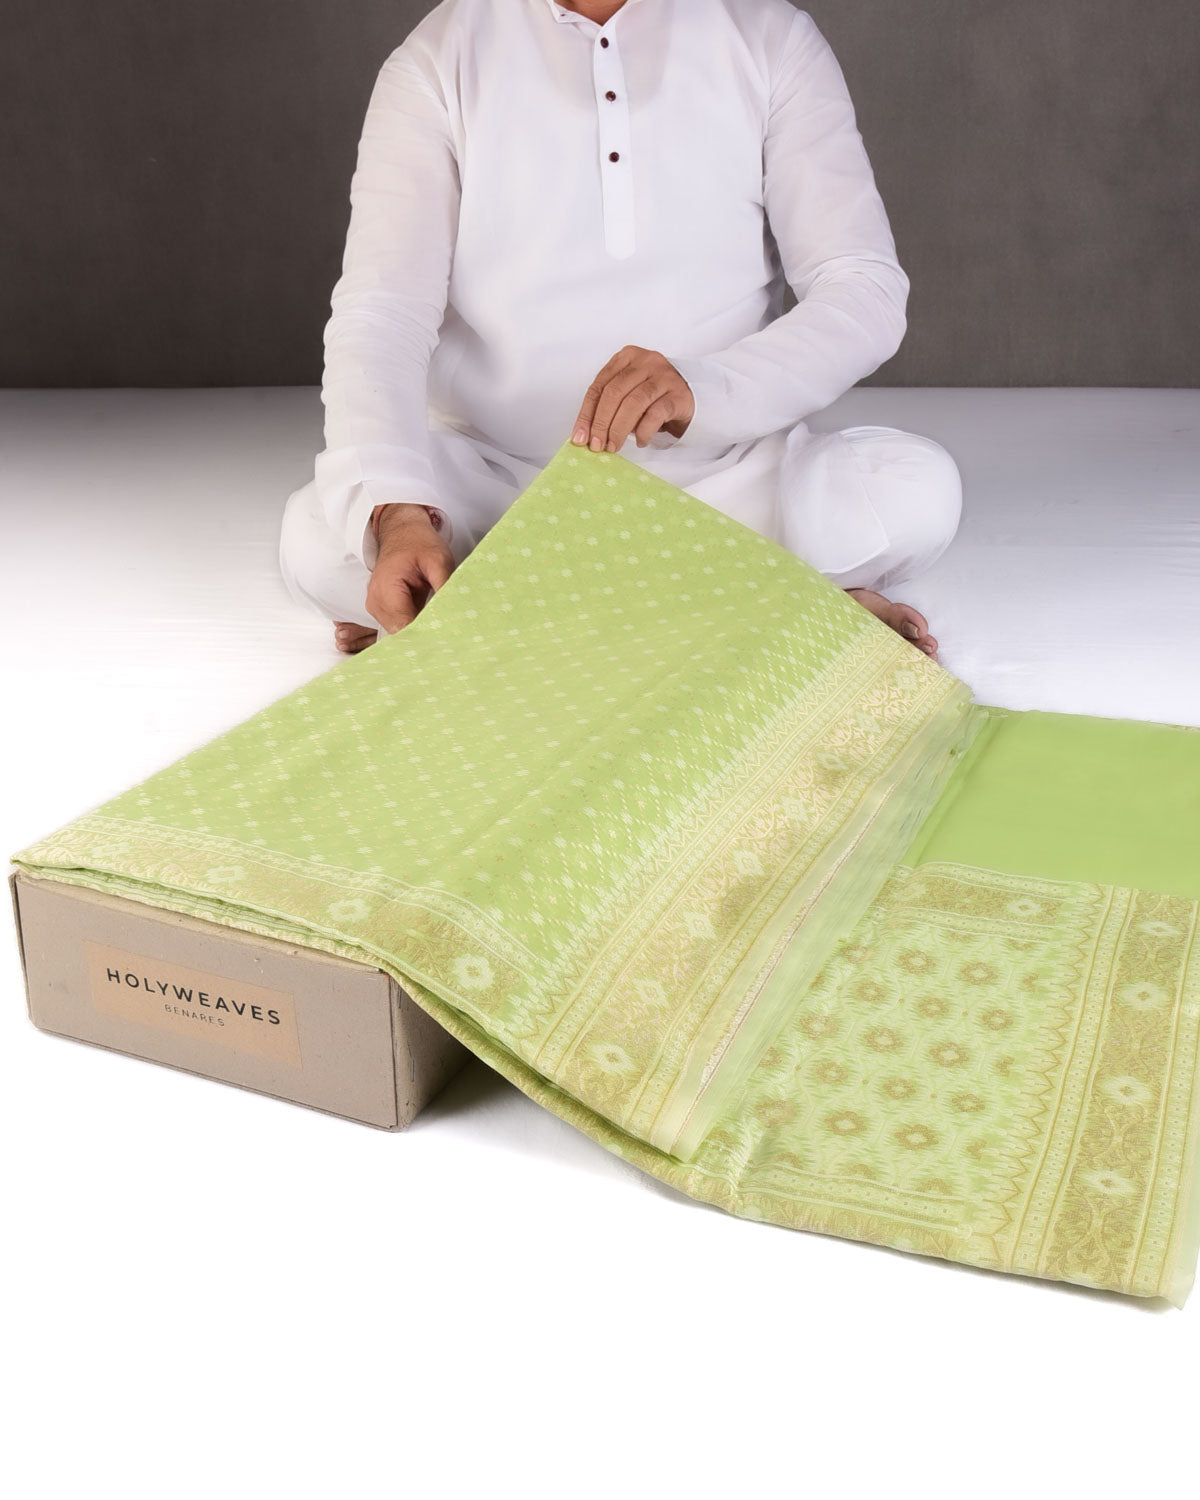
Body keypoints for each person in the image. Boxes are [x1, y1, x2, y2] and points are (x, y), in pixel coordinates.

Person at [279, 0, 962, 662]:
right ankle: (783, 601)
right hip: (501, 487)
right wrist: (400, 517)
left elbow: (863, 287)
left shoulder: (772, 38)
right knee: (317, 538)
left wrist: (704, 389)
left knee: (917, 490)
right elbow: (382, 313)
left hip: (725, 478)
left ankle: (497, 616)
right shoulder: (436, 60)